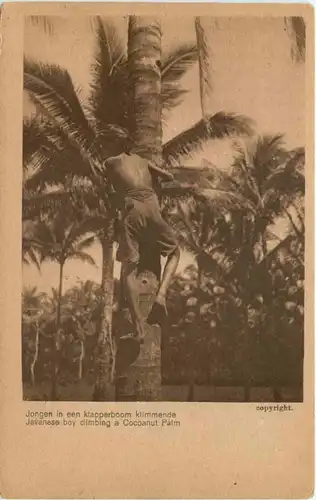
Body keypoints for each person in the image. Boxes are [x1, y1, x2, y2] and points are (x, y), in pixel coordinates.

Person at [104, 151, 180, 343]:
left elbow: (110, 191)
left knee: (128, 270)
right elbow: (169, 177)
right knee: (174, 252)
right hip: (153, 207)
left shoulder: (111, 161)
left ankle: (138, 328)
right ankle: (161, 296)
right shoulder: (144, 161)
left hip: (134, 209)